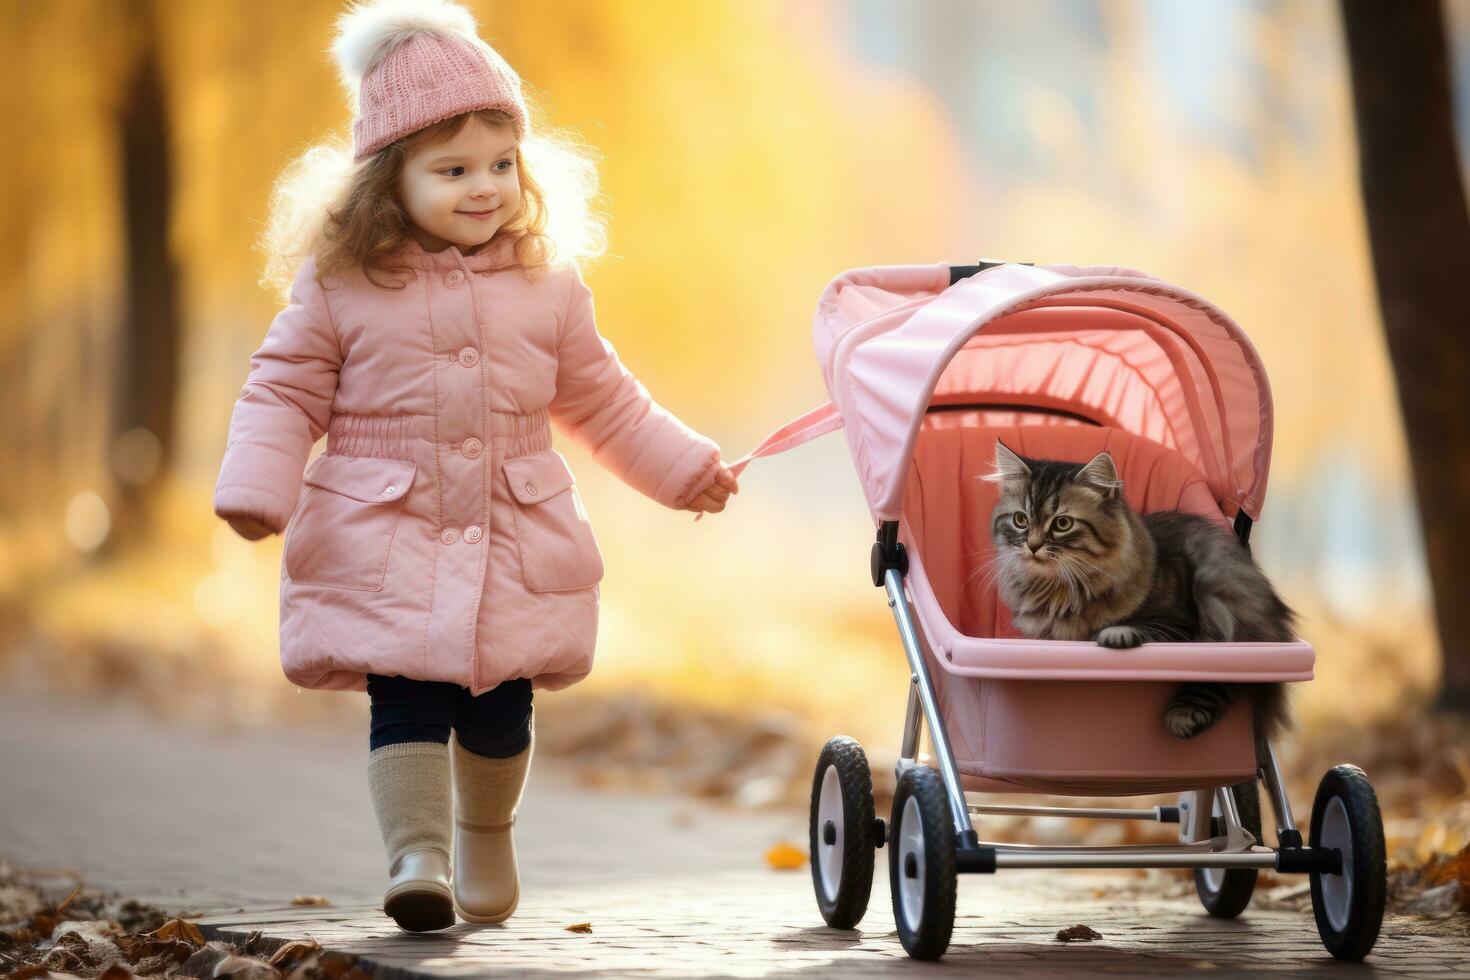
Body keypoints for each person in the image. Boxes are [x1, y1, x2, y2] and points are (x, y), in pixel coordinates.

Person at [212, 0, 738, 933]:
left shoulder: (547, 284)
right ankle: (418, 853)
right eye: (452, 169)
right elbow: (284, 388)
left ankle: (485, 830)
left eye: (501, 163)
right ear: (388, 181)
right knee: (404, 696)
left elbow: (605, 401)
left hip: (513, 534)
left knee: (502, 706)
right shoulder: (338, 286)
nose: (483, 186)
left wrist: (683, 469)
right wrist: (258, 487)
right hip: (386, 531)